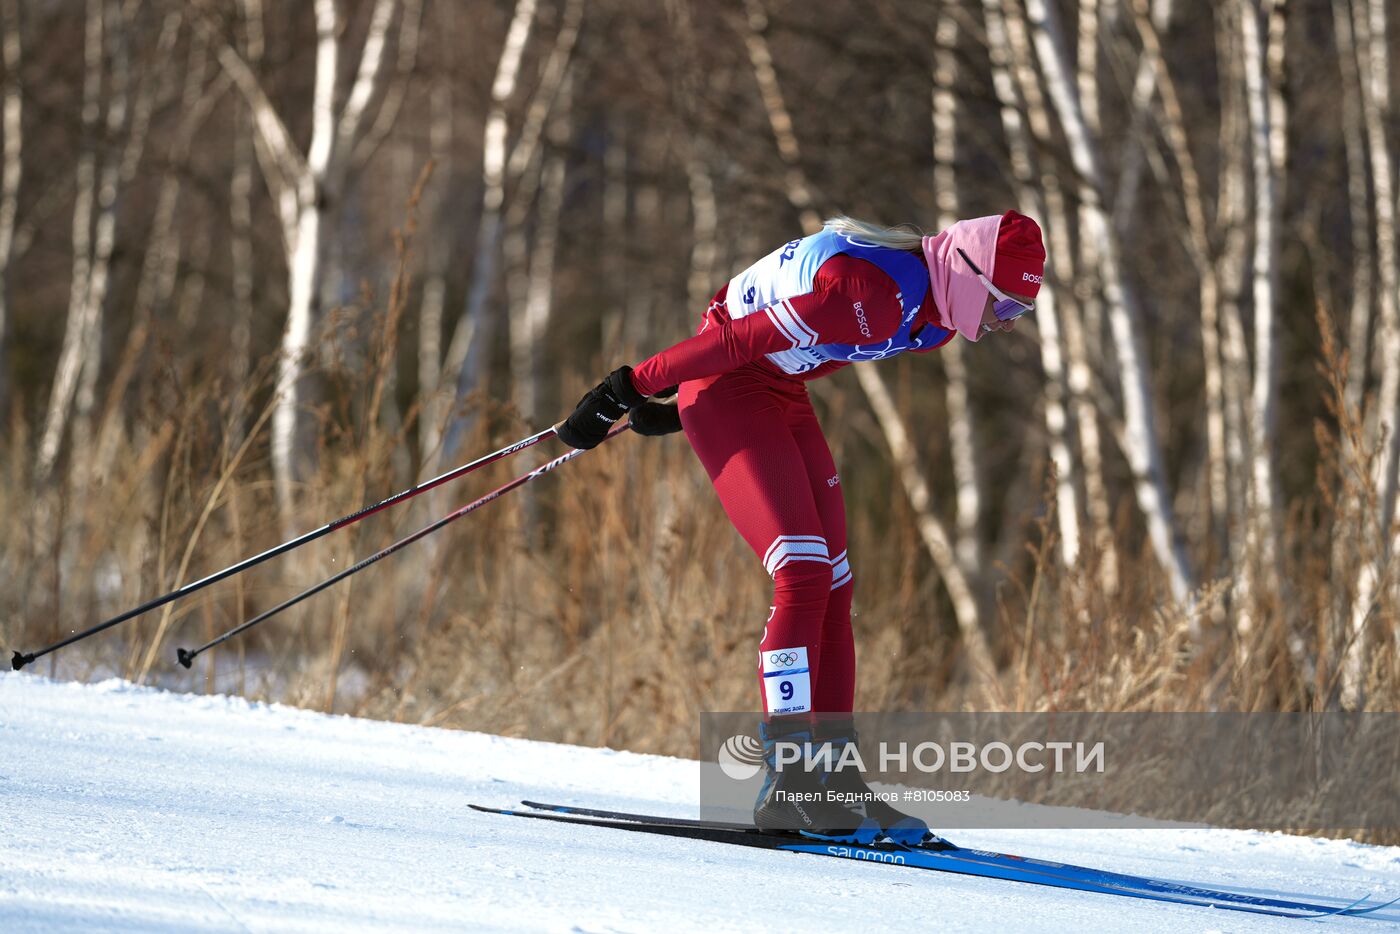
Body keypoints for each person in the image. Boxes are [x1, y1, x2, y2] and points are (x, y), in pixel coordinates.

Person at [556, 211, 1046, 846]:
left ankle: (835, 779)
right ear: (969, 274)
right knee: (802, 575)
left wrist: (686, 412)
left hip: (774, 391)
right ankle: (787, 779)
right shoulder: (873, 291)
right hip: (732, 376)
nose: (1006, 323)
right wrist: (629, 387)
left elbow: (819, 348)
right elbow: (738, 341)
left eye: (1021, 313)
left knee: (835, 586)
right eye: (1006, 304)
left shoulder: (934, 325)